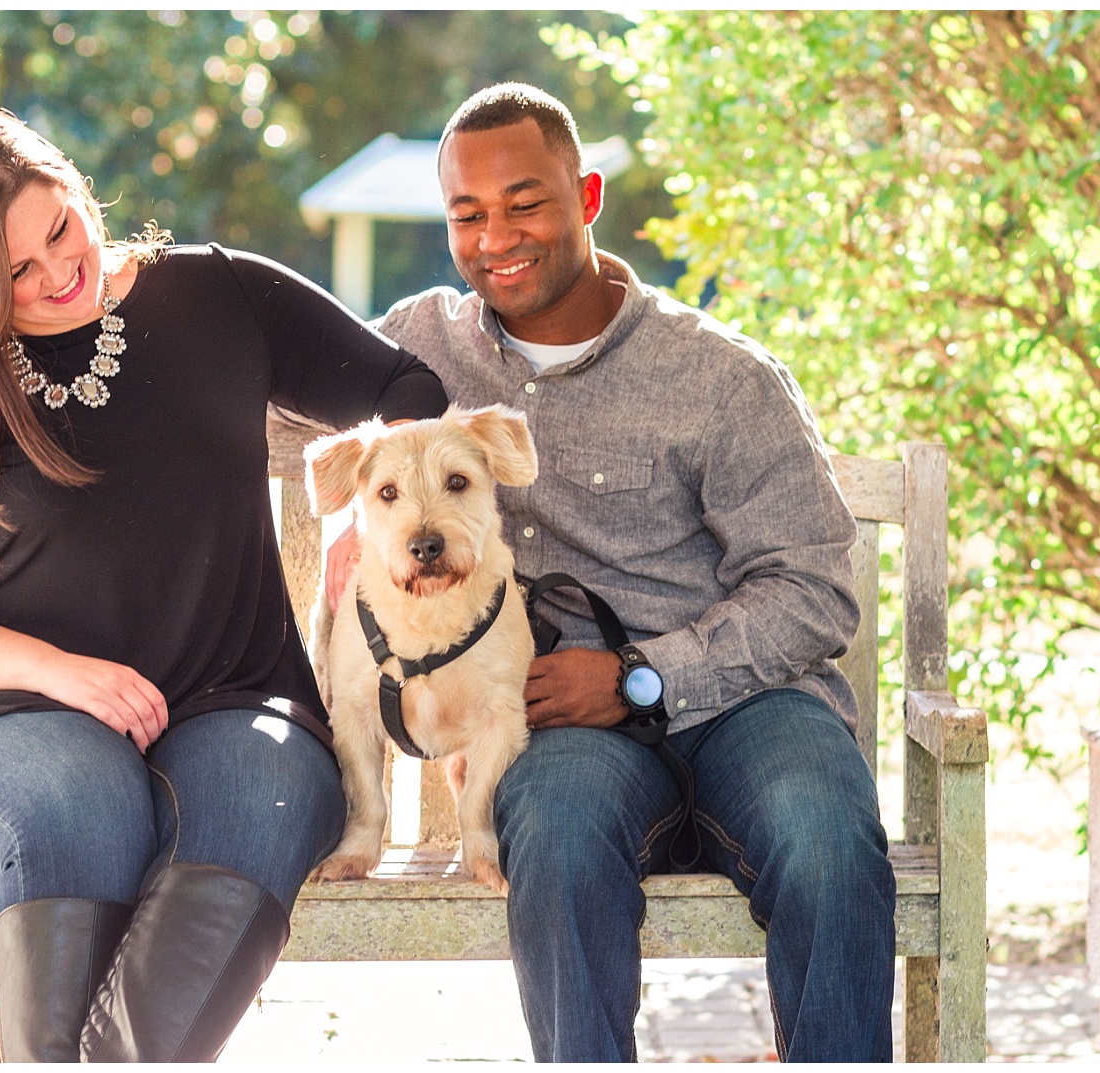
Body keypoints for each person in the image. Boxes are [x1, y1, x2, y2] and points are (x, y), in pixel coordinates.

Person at [0, 104, 447, 1063]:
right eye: (14, 278)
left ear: (76, 189)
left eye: (60, 228)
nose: (57, 275)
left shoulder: (217, 296)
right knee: (82, 794)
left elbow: (406, 389)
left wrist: (365, 525)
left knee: (271, 796)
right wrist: (60, 674)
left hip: (238, 699)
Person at [330, 83, 896, 1062]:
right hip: (556, 721)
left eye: (525, 202)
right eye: (468, 214)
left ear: (585, 195)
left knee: (831, 845)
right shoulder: (419, 345)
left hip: (748, 705)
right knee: (551, 833)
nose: (496, 235)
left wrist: (643, 674)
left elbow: (813, 590)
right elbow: (254, 412)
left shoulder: (722, 376)